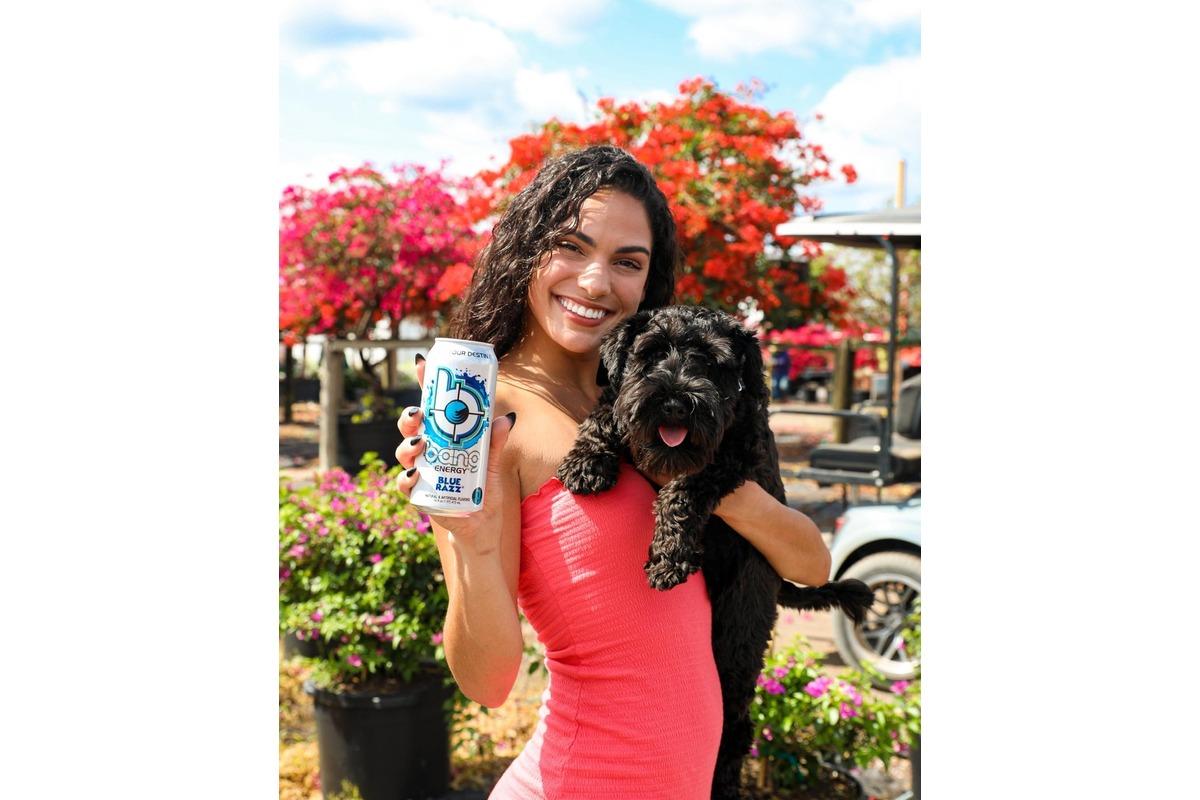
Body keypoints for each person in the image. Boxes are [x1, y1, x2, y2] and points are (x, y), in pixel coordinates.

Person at [393, 145, 831, 798]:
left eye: (627, 262)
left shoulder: (655, 401)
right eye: (571, 246)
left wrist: (719, 490)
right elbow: (489, 683)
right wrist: (471, 541)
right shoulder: (491, 416)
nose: (597, 283)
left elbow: (811, 567)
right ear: (526, 250)